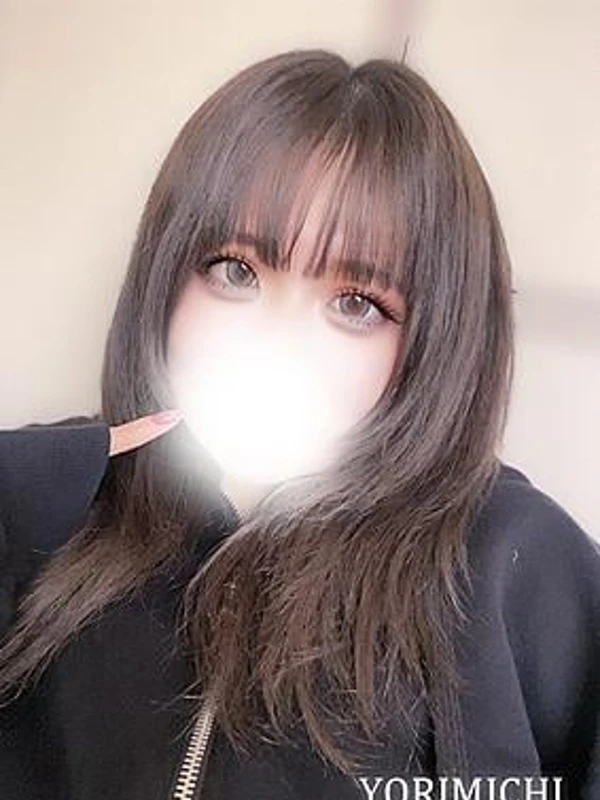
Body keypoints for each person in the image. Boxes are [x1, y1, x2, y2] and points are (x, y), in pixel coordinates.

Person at [0, 48, 599, 800]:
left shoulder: (520, 566)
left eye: (356, 304)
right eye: (235, 270)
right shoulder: (52, 503)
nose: (274, 340)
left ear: (435, 340)